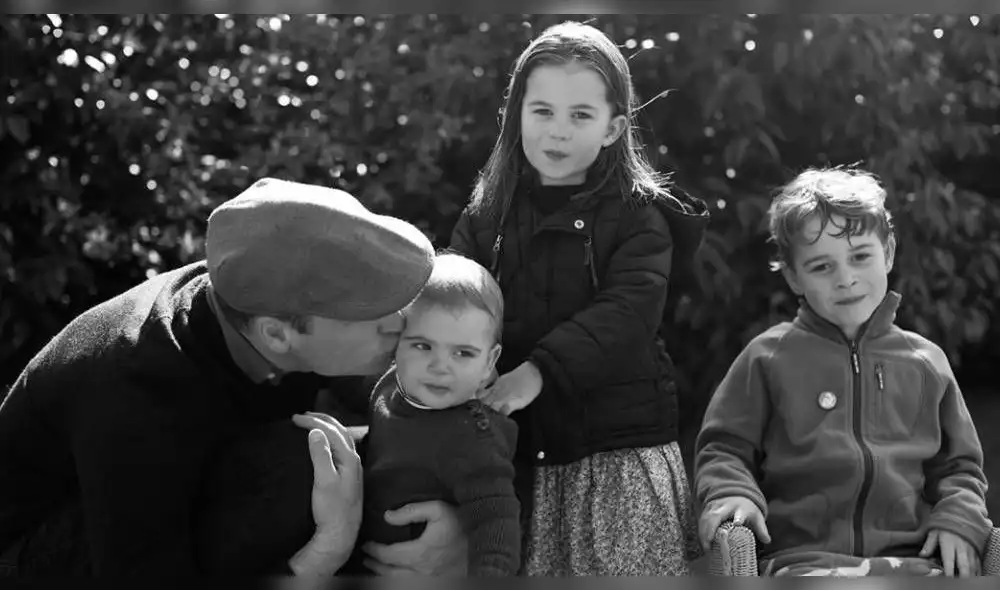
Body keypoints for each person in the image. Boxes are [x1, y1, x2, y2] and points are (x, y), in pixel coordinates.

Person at [0, 177, 467, 576]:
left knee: (383, 450)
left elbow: (420, 419)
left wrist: (456, 530)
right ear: (278, 335)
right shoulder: (137, 396)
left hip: (163, 502)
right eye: (374, 312)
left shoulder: (262, 295)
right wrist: (326, 552)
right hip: (49, 551)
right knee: (309, 466)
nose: (400, 322)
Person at [449, 21, 704, 575]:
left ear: (614, 128)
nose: (557, 131)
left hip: (615, 458)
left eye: (580, 115)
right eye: (542, 111)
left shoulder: (640, 217)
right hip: (510, 460)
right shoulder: (484, 216)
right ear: (515, 115)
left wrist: (536, 373)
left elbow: (627, 314)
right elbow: (453, 309)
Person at [694, 166, 992, 577]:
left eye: (860, 256)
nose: (846, 279)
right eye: (821, 267)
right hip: (803, 561)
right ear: (795, 278)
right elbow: (723, 448)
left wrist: (959, 520)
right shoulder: (767, 357)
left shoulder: (926, 362)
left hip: (914, 558)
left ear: (887, 253)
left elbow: (958, 467)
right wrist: (733, 493)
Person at [360, 252, 520, 577]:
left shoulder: (473, 438)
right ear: (398, 343)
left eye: (462, 353)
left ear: (489, 362)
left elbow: (496, 522)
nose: (439, 366)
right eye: (422, 346)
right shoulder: (390, 387)